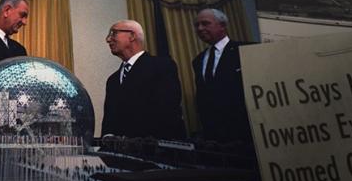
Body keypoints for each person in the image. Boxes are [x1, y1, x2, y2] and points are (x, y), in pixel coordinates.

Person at [101, 20, 186, 140]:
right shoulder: (113, 80)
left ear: (132, 36)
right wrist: (107, 137)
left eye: (113, 33)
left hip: (155, 151)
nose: (108, 39)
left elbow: (167, 112)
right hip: (120, 154)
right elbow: (109, 119)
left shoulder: (162, 66)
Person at [192, 8, 251, 144]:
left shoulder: (244, 51)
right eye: (197, 25)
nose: (200, 28)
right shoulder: (198, 60)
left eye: (205, 23)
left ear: (223, 25)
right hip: (213, 138)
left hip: (244, 135)